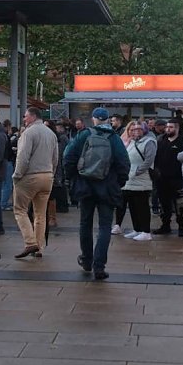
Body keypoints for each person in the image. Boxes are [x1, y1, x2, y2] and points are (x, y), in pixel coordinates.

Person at [63, 107, 130, 280]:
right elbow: (124, 163)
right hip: (107, 187)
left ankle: (86, 259)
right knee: (105, 226)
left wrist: (73, 179)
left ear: (93, 119)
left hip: (85, 186)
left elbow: (68, 157)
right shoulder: (115, 138)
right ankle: (99, 266)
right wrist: (118, 183)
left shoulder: (84, 135)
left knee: (85, 223)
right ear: (107, 120)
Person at [12, 107, 59, 259]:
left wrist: (17, 175)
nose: (24, 120)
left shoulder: (28, 133)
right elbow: (55, 158)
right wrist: (51, 172)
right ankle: (39, 247)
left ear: (32, 117)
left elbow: (23, 157)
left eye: (25, 117)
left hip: (30, 176)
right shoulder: (51, 133)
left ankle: (30, 242)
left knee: (20, 210)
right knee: (40, 214)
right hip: (47, 176)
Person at [120, 122, 157, 241]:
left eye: (139, 129)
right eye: (133, 129)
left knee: (142, 206)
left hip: (141, 179)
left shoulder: (149, 142)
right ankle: (137, 229)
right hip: (130, 179)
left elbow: (149, 160)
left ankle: (146, 231)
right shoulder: (132, 142)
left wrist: (137, 171)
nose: (135, 131)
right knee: (133, 206)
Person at [152, 118, 183, 235]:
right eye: (167, 127)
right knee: (164, 203)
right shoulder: (161, 140)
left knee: (180, 203)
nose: (168, 129)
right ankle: (165, 224)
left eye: (171, 127)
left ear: (177, 128)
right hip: (161, 178)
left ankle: (181, 226)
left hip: (177, 178)